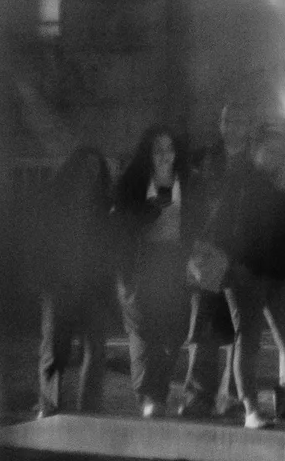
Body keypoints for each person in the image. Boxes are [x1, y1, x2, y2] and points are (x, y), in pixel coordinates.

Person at [211, 125, 285, 428]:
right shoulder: (240, 182)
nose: (277, 157)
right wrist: (236, 264)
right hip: (246, 273)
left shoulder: (284, 185)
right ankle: (250, 408)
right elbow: (222, 225)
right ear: (257, 150)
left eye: (281, 152)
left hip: (278, 274)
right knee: (248, 340)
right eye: (271, 150)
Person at [173, 102, 254, 415]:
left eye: (240, 121)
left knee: (240, 329)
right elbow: (190, 203)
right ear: (221, 124)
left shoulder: (253, 162)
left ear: (247, 126)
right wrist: (192, 242)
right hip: (208, 250)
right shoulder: (206, 158)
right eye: (228, 121)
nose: (233, 127)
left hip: (241, 254)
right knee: (204, 326)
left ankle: (231, 396)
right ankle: (197, 396)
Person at [109, 125, 190, 418]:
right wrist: (151, 209)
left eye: (169, 149)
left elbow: (198, 217)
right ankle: (148, 396)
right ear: (148, 153)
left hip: (176, 262)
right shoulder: (133, 182)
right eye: (158, 149)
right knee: (145, 331)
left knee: (176, 330)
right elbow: (122, 224)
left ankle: (159, 390)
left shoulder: (187, 180)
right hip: (142, 264)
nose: (165, 155)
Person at [34, 145, 119, 417]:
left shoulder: (105, 204)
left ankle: (88, 408)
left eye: (96, 170)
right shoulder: (55, 202)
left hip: (93, 287)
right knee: (55, 351)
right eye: (85, 169)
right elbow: (43, 242)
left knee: (94, 350)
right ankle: (49, 406)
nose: (91, 175)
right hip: (62, 286)